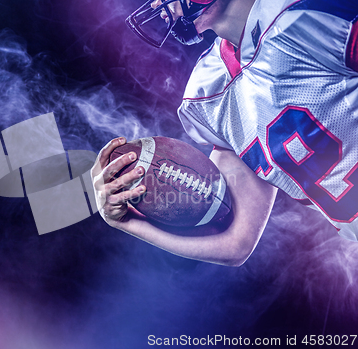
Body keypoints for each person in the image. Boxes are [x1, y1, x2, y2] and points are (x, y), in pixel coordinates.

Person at [91, 0, 358, 266]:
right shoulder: (209, 89)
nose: (160, 4)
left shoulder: (306, 14)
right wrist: (126, 221)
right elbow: (235, 241)